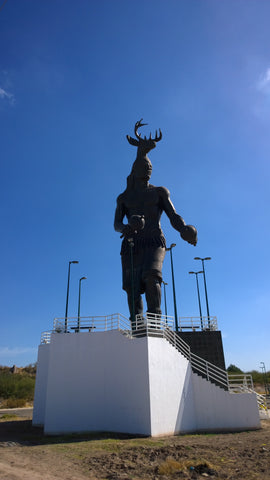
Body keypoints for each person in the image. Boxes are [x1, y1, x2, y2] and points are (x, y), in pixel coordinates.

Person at [114, 119, 197, 325]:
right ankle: (137, 324)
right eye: (145, 167)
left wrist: (183, 229)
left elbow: (173, 216)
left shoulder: (159, 192)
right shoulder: (124, 198)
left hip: (153, 241)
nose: (149, 170)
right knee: (132, 287)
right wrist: (126, 226)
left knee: (152, 277)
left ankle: (155, 321)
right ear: (136, 170)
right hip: (131, 244)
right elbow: (116, 224)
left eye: (150, 167)